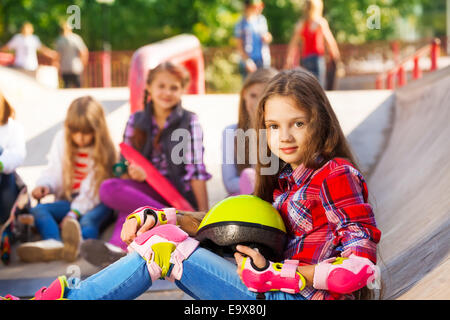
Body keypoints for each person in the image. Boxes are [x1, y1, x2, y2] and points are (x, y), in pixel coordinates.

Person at [4, 68, 382, 301]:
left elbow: (361, 268)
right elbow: (229, 225)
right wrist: (165, 215)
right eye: (273, 126)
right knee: (162, 234)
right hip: (273, 290)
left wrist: (287, 273)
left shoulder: (335, 175)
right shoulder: (285, 179)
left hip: (297, 297)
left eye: (297, 123)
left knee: (165, 250)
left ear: (321, 121)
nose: (284, 137)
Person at [80, 62, 211, 266]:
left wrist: (204, 219)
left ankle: (179, 222)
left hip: (176, 195)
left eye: (174, 87)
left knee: (131, 209)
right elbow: (121, 168)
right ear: (149, 87)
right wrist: (132, 172)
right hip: (143, 190)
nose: (167, 92)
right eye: (161, 86)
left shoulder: (189, 121)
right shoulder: (136, 120)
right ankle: (126, 247)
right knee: (109, 188)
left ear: (183, 90)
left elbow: (197, 172)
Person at [16, 96, 116, 263]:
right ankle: (54, 244)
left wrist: (73, 214)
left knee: (87, 221)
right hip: (70, 200)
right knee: (39, 210)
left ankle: (81, 245)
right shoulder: (61, 140)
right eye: (76, 131)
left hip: (95, 202)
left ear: (97, 130)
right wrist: (45, 185)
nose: (80, 137)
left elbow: (93, 191)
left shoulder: (104, 149)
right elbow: (54, 170)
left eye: (86, 132)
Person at [222, 67, 278, 196]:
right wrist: (253, 179)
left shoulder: (281, 133)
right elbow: (230, 183)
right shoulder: (231, 132)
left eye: (264, 96)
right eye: (253, 96)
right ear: (244, 95)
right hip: (245, 201)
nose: (258, 103)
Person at [285, 0, 341, 88]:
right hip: (317, 58)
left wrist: (289, 59)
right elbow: (330, 41)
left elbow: (293, 43)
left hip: (306, 58)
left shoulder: (301, 24)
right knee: (319, 86)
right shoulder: (320, 22)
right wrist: (336, 57)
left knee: (308, 86)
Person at [0, 91, 26, 263]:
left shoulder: (12, 127)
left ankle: (5, 232)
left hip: (6, 182)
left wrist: (1, 163)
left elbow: (18, 154)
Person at [234, 0, 273, 79]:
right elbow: (239, 45)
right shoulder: (240, 23)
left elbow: (268, 37)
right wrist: (247, 61)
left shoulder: (261, 20)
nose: (259, 8)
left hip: (262, 59)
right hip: (249, 60)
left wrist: (267, 37)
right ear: (248, 7)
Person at [55, 21, 89, 88]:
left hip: (65, 67)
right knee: (78, 86)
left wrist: (57, 65)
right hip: (75, 67)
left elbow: (57, 55)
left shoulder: (59, 40)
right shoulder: (75, 38)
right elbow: (83, 52)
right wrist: (83, 63)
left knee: (67, 86)